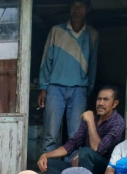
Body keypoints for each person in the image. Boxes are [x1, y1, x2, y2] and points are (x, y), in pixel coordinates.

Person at [38, 0, 98, 154]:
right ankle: (47, 172)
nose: (77, 10)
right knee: (50, 134)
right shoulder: (57, 31)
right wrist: (43, 88)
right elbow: (46, 60)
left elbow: (93, 64)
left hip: (79, 90)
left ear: (88, 9)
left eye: (81, 6)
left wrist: (89, 90)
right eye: (74, 6)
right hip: (55, 88)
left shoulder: (92, 34)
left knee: (75, 135)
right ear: (69, 8)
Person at [38, 86, 126, 174]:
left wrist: (90, 122)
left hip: (104, 172)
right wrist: (45, 155)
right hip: (85, 169)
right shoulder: (94, 118)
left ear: (115, 104)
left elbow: (97, 148)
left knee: (85, 152)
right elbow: (72, 144)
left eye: (105, 100)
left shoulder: (118, 122)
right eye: (99, 99)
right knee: (48, 164)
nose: (101, 103)